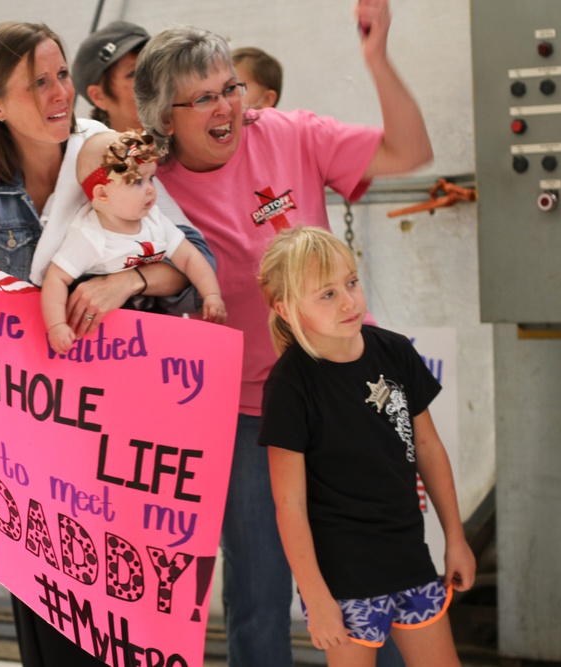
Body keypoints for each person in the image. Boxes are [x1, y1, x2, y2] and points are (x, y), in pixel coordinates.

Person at [133, 1, 433, 665]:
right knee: (259, 595)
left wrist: (376, 60)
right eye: (202, 98)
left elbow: (409, 149)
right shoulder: (151, 188)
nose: (226, 108)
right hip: (243, 412)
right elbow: (142, 270)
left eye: (229, 88)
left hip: (344, 393)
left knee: (368, 583)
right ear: (163, 118)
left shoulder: (290, 133)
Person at [0, 22, 214, 666]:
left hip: (130, 442)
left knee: (139, 622)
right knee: (55, 632)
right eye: (37, 82)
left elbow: (194, 254)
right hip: (39, 449)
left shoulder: (111, 153)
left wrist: (130, 278)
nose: (59, 92)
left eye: (61, 74)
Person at [256, 226, 475, 665]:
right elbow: (290, 505)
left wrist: (456, 537)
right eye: (327, 294)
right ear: (285, 307)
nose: (350, 301)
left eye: (351, 283)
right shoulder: (288, 385)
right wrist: (316, 597)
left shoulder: (394, 352)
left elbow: (428, 448)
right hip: (344, 579)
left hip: (410, 558)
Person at [41, 130, 226, 353]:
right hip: (103, 337)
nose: (150, 188)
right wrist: (57, 325)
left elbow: (189, 257)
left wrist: (211, 295)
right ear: (102, 194)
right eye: (137, 181)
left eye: (151, 178)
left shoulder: (155, 220)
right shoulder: (89, 236)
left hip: (151, 327)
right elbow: (56, 278)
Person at [73, 21, 150, 132]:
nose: (152, 77)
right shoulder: (89, 148)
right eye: (133, 73)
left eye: (153, 66)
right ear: (98, 96)